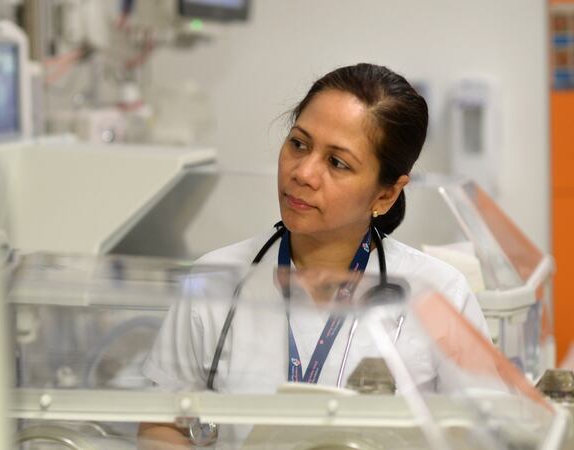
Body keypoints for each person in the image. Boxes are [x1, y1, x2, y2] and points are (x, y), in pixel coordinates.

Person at [137, 63, 490, 448]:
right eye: (299, 144)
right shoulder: (217, 279)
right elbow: (164, 426)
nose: (303, 172)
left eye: (337, 163)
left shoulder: (440, 294)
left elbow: (486, 434)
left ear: (385, 194)